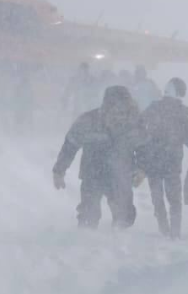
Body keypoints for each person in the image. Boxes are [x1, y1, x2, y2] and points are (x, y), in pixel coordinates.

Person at [52, 86, 148, 229]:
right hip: (92, 173)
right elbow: (70, 145)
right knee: (88, 214)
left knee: (124, 214)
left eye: (124, 108)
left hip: (120, 175)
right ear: (107, 106)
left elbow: (143, 147)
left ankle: (121, 239)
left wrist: (141, 169)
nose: (120, 114)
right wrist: (59, 171)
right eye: (116, 107)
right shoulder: (88, 121)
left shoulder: (134, 122)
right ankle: (86, 238)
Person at [140, 78, 188, 238]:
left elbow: (140, 125)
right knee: (175, 200)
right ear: (179, 92)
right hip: (172, 161)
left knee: (157, 197)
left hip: (153, 160)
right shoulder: (184, 111)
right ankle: (175, 232)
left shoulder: (153, 107)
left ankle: (163, 228)